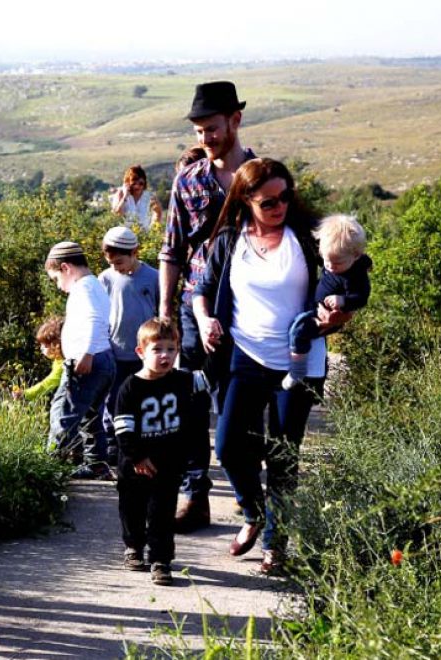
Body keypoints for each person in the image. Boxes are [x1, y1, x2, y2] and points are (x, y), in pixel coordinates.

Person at [192, 158, 351, 575]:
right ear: (246, 200)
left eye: (285, 197)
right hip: (243, 357)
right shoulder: (230, 239)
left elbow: (352, 276)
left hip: (299, 361)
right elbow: (202, 290)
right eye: (268, 202)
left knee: (283, 455)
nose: (279, 206)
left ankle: (275, 546)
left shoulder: (309, 236)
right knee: (228, 446)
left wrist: (341, 312)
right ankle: (252, 511)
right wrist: (205, 320)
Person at [159, 81, 257, 533]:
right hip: (193, 309)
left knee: (241, 402)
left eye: (212, 128)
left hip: (250, 308)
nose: (206, 138)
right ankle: (194, 496)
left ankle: (247, 496)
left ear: (235, 120)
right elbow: (172, 249)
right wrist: (166, 312)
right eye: (199, 131)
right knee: (193, 402)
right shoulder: (188, 181)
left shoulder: (261, 177)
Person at [113, 318, 209, 586]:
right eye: (157, 349)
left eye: (171, 349)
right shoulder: (130, 387)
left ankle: (160, 560)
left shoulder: (183, 381)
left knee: (162, 514)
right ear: (141, 352)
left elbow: (207, 383)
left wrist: (214, 342)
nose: (165, 356)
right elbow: (123, 428)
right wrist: (136, 456)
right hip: (134, 466)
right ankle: (133, 546)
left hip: (168, 464)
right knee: (132, 510)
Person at [44, 241, 117, 481]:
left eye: (56, 279)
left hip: (88, 362)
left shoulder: (82, 289)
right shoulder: (94, 285)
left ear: (65, 268)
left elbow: (95, 320)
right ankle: (97, 465)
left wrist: (86, 354)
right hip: (104, 359)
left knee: (62, 412)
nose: (58, 286)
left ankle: (49, 468)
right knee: (91, 416)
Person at [283, 214, 372, 390]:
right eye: (326, 260)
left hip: (327, 316)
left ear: (355, 256)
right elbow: (364, 259)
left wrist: (343, 301)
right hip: (316, 305)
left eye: (336, 263)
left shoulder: (356, 275)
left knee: (298, 330)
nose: (330, 266)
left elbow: (361, 298)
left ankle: (298, 370)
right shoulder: (341, 257)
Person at [98, 226, 160, 466]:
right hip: (116, 351)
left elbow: (161, 311)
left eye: (120, 262)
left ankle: (144, 441)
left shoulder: (153, 277)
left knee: (143, 398)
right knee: (113, 399)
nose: (116, 267)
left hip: (145, 354)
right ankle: (114, 442)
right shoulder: (106, 278)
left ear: (134, 252)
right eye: (111, 263)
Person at [15, 316, 65, 402]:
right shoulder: (59, 360)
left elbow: (48, 384)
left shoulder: (62, 363)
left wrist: (25, 394)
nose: (42, 348)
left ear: (56, 344)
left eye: (45, 345)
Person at [109, 165, 162, 231]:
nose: (137, 186)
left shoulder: (149, 197)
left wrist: (152, 231)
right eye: (134, 183)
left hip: (143, 235)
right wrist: (125, 196)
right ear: (128, 183)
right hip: (124, 235)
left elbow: (158, 215)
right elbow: (116, 214)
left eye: (141, 183)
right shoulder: (121, 194)